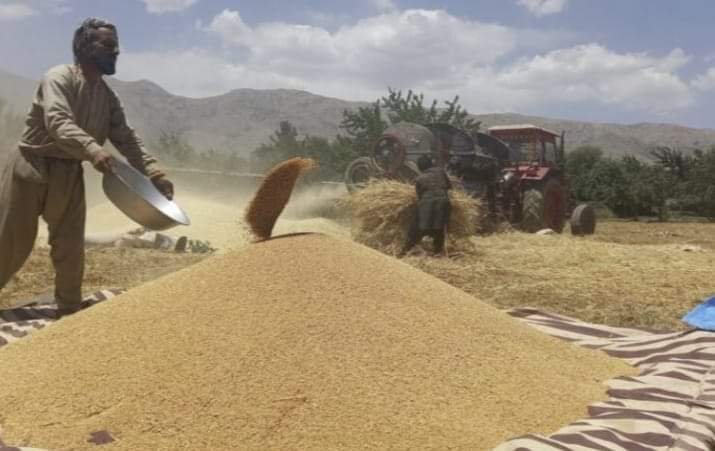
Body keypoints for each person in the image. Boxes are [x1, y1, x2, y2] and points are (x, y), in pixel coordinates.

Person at [0, 18, 174, 316]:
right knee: (11, 244)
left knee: (70, 246)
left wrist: (153, 172)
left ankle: (69, 311)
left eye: (116, 45)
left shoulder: (107, 97)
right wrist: (93, 149)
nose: (116, 51)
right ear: (85, 47)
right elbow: (57, 121)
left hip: (69, 172)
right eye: (108, 45)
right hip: (30, 167)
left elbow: (126, 138)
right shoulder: (59, 77)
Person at [399, 154, 452, 257]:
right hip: (443, 201)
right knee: (440, 227)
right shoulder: (440, 171)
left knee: (417, 227)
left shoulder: (419, 179)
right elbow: (449, 187)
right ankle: (437, 251)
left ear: (420, 168)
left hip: (427, 202)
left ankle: (406, 249)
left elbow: (419, 196)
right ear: (431, 164)